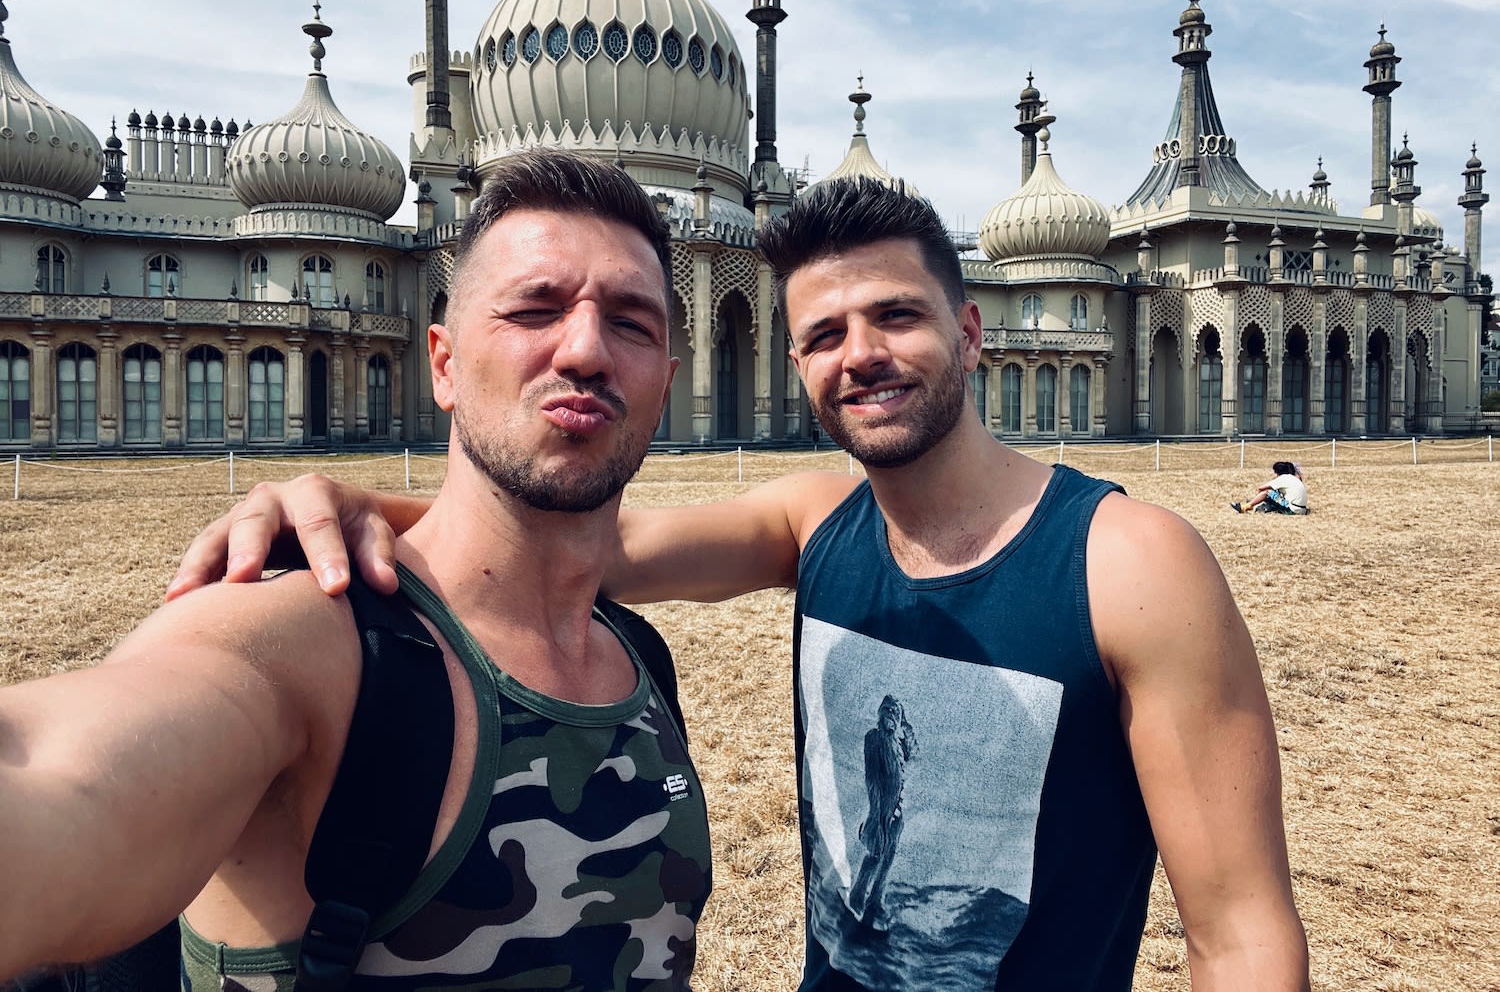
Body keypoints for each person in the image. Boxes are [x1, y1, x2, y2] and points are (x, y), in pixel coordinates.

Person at [171, 177, 1310, 990]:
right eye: (822, 334)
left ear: (969, 333)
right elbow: (576, 549)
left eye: (896, 316)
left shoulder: (1127, 560)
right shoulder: (817, 524)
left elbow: (1244, 935)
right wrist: (349, 508)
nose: (858, 353)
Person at [0, 150, 712, 989]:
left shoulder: (639, 662)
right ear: (444, 363)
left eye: (631, 321)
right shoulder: (311, 643)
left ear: (665, 386)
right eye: (534, 309)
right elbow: (58, 779)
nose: (586, 348)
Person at [848, 695, 916, 926]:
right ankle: (857, 897)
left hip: (897, 811)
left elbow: (913, 751)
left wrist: (904, 723)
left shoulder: (898, 743)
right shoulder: (874, 738)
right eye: (886, 710)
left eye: (894, 712)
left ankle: (875, 901)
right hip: (880, 808)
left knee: (888, 857)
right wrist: (877, 812)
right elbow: (871, 778)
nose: (889, 714)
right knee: (874, 853)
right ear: (879, 713)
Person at [1231, 461, 1310, 515]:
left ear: (1277, 472)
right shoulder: (1293, 478)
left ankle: (1246, 507)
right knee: (1275, 496)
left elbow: (1261, 489)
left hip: (1293, 510)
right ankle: (1257, 505)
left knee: (1267, 492)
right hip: (1302, 509)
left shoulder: (1282, 478)